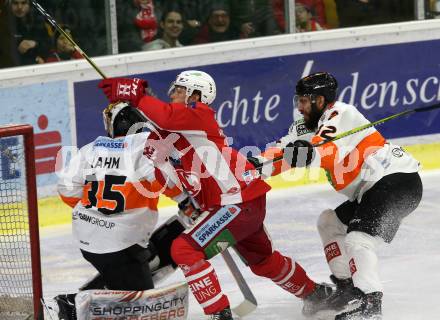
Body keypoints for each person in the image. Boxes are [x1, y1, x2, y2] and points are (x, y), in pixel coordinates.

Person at [98, 71, 334, 319]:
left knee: (184, 250)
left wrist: (138, 95)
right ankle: (316, 295)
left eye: (179, 90)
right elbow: (163, 174)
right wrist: (185, 201)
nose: (172, 94)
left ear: (195, 95)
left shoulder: (199, 115)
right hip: (242, 201)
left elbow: (166, 116)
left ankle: (219, 314)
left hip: (234, 202)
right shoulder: (170, 133)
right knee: (263, 260)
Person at [251, 72, 423, 319]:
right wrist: (249, 168)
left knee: (358, 240)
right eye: (298, 100)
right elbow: (279, 155)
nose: (299, 107)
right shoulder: (304, 127)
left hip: (397, 181)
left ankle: (370, 305)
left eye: (304, 101)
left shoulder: (341, 113)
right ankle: (348, 289)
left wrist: (309, 153)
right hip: (372, 189)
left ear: (320, 100)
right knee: (329, 223)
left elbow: (328, 150)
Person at [57, 101, 186, 293]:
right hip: (122, 245)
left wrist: (95, 211)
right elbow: (170, 184)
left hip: (87, 240)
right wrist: (186, 201)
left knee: (139, 256)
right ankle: (78, 306)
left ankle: (127, 272)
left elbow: (66, 189)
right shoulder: (146, 148)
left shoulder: (90, 149)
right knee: (141, 303)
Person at [8, 0, 51, 65]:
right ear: (9, 5)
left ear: (29, 5)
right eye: (15, 3)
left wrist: (35, 44)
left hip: (39, 66)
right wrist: (34, 59)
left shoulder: (38, 22)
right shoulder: (4, 25)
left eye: (24, 3)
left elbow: (49, 45)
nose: (19, 7)